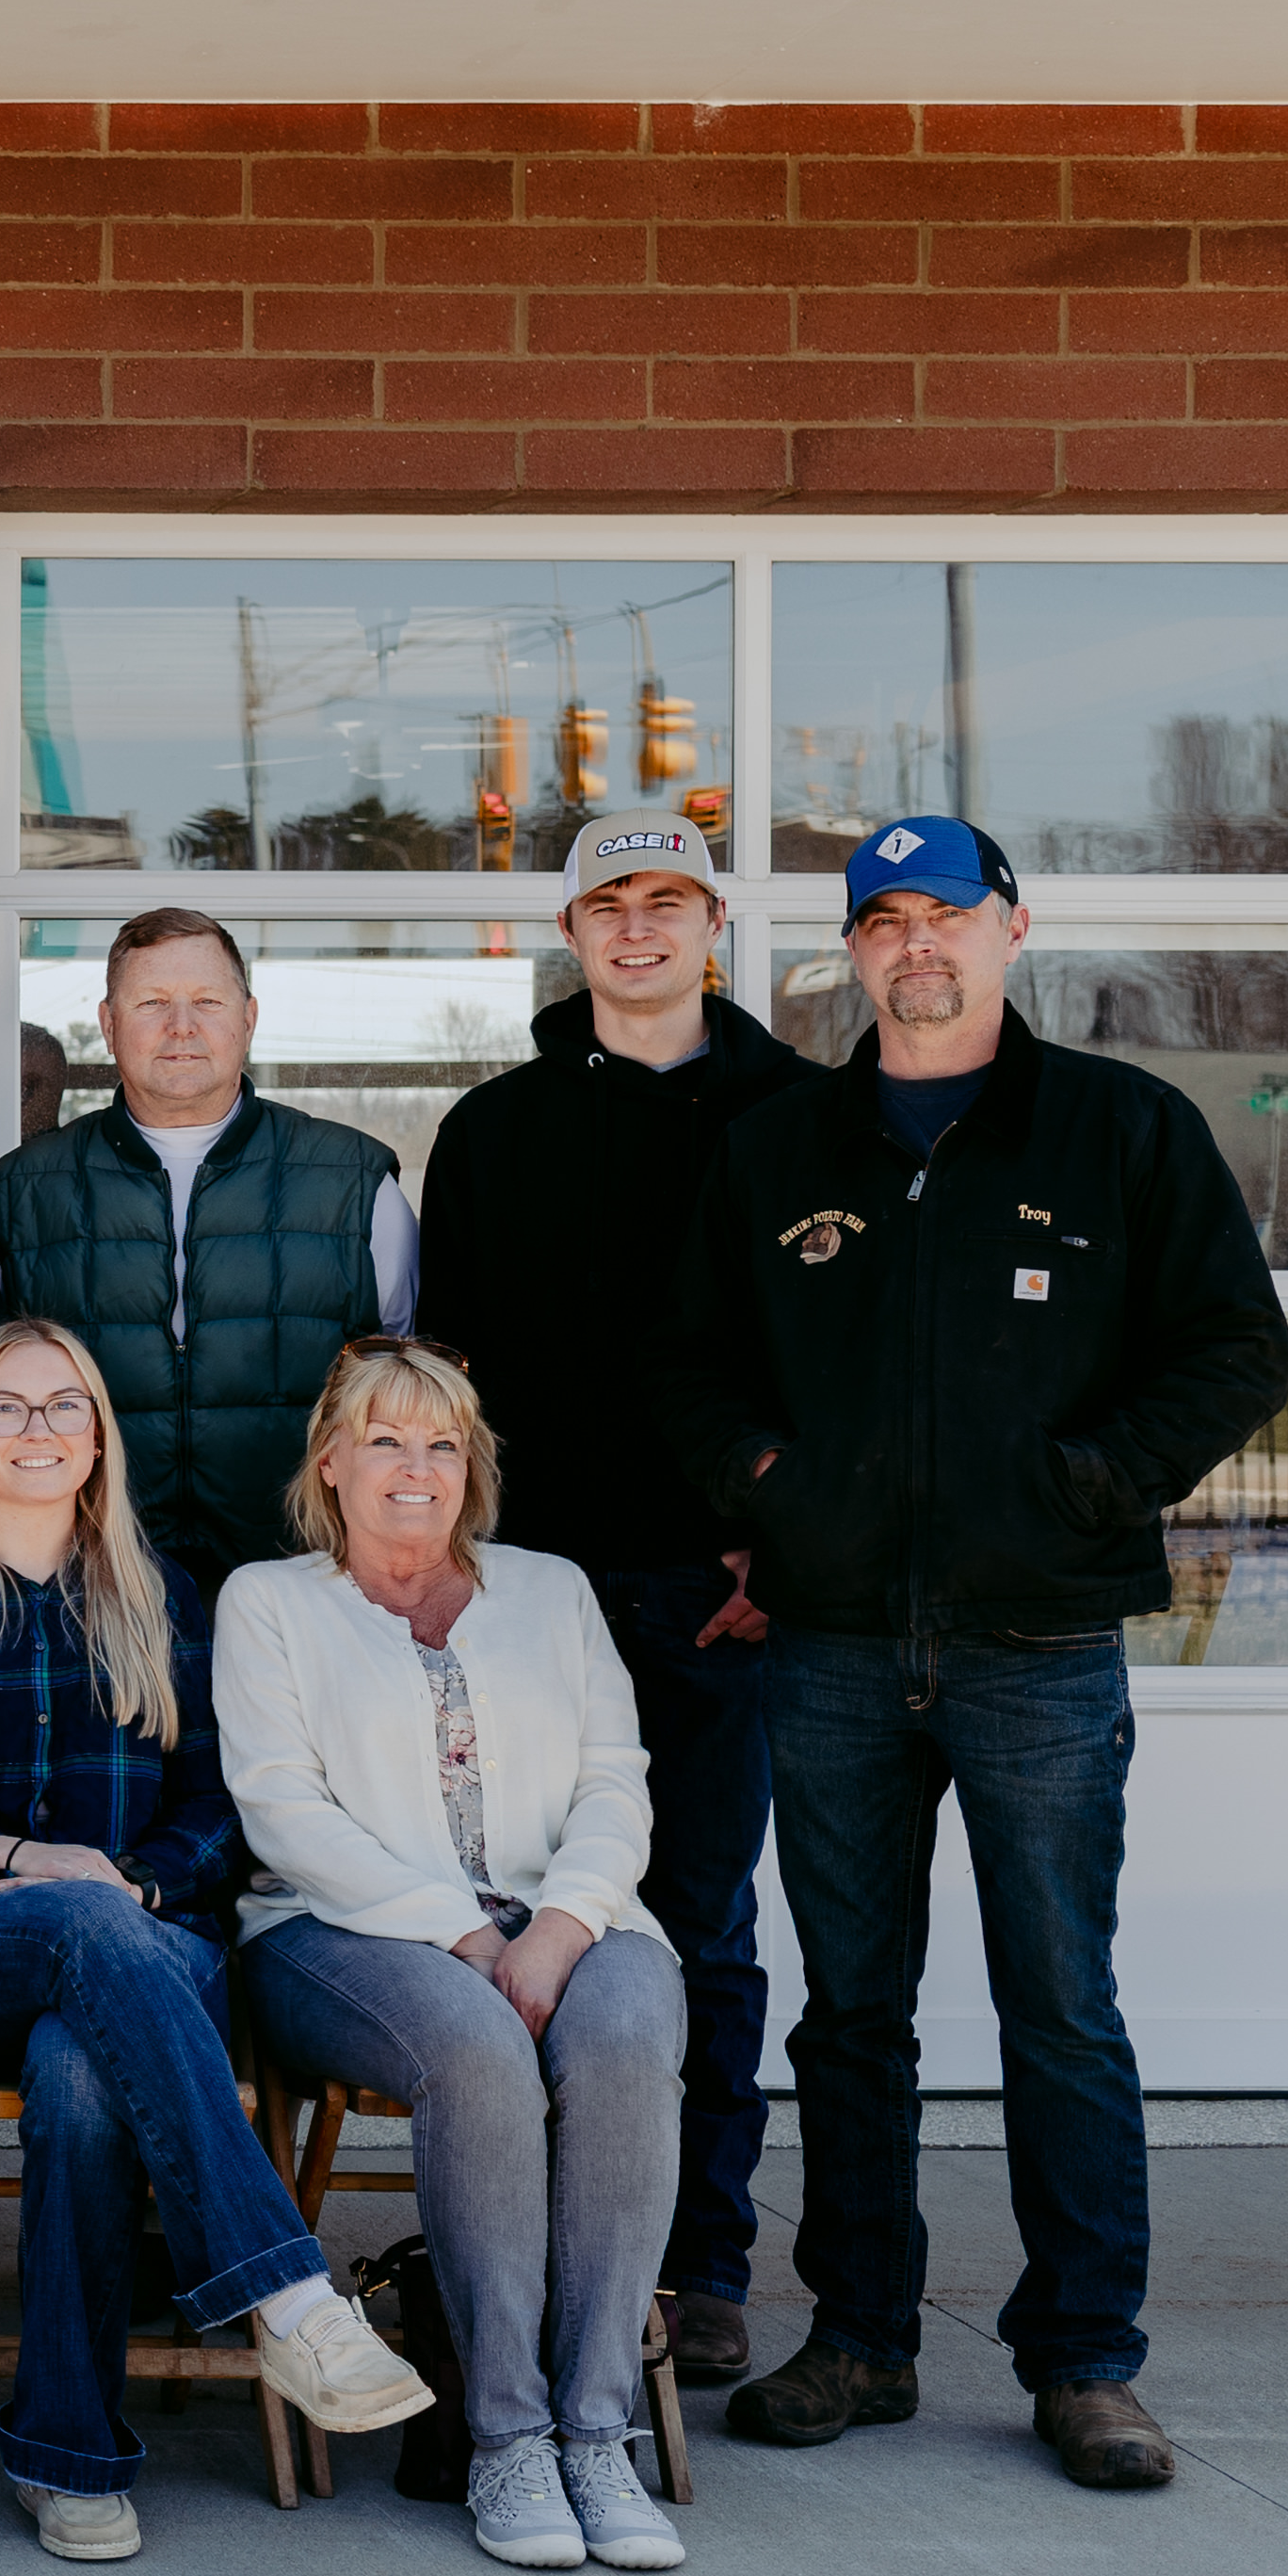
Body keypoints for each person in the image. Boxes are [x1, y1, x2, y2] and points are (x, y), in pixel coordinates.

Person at [665, 814, 1288, 2490]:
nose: (913, 948)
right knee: (849, 2016)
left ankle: (1084, 2360)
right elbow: (694, 1373)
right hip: (835, 1648)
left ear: (1014, 931)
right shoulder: (781, 1147)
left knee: (1059, 2008)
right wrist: (771, 1490)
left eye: (945, 915)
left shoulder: (1116, 1132)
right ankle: (858, 2338)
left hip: (1039, 1646)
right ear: (849, 954)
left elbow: (1236, 1350)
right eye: (880, 923)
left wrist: (1089, 1480)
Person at [0, 1319, 427, 2562]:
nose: (36, 1430)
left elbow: (222, 1809)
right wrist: (10, 1863)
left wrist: (133, 1889)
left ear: (99, 1435)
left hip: (148, 1950)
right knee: (74, 1922)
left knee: (77, 2066)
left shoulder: (166, 1596)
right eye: (5, 1407)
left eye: (63, 1406)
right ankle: (286, 2293)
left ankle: (69, 2459)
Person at [411, 814, 810, 2383]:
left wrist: (785, 1550)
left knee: (699, 1931)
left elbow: (830, 1368)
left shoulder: (798, 1116)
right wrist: (455, 1575)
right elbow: (448, 1365)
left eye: (665, 901)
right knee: (523, 1916)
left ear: (713, 920)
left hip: (722, 1599)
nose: (635, 928)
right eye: (606, 903)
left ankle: (695, 2264)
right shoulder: (501, 1127)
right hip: (532, 1605)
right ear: (568, 928)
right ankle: (539, 2250)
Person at [224, 1338, 693, 2573]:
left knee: (631, 2036)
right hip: (340, 1930)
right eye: (382, 1439)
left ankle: (597, 2434)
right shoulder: (266, 1603)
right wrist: (462, 1931)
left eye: (440, 1443)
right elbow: (283, 1813)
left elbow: (613, 1781)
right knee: (477, 2050)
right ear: (329, 1462)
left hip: (567, 1919)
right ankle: (502, 2438)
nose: (413, 1468)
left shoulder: (551, 1591)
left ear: (471, 1465)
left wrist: (559, 1924)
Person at [0, 907, 416, 1589]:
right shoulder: (21, 1194)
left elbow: (401, 1379)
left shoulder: (353, 1184)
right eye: (151, 1002)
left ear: (247, 1017)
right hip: (85, 1584)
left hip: (306, 1579)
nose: (180, 1026)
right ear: (107, 1023)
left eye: (206, 1002)